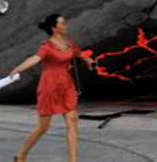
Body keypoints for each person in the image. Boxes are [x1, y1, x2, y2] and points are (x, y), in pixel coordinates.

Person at [8, 14, 96, 162]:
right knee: (43, 127)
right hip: (49, 86)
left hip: (67, 85)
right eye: (62, 23)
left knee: (72, 120)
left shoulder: (68, 44)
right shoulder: (47, 46)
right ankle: (21, 155)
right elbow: (35, 59)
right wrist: (18, 69)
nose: (66, 25)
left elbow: (79, 53)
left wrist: (89, 61)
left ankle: (73, 160)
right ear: (54, 28)